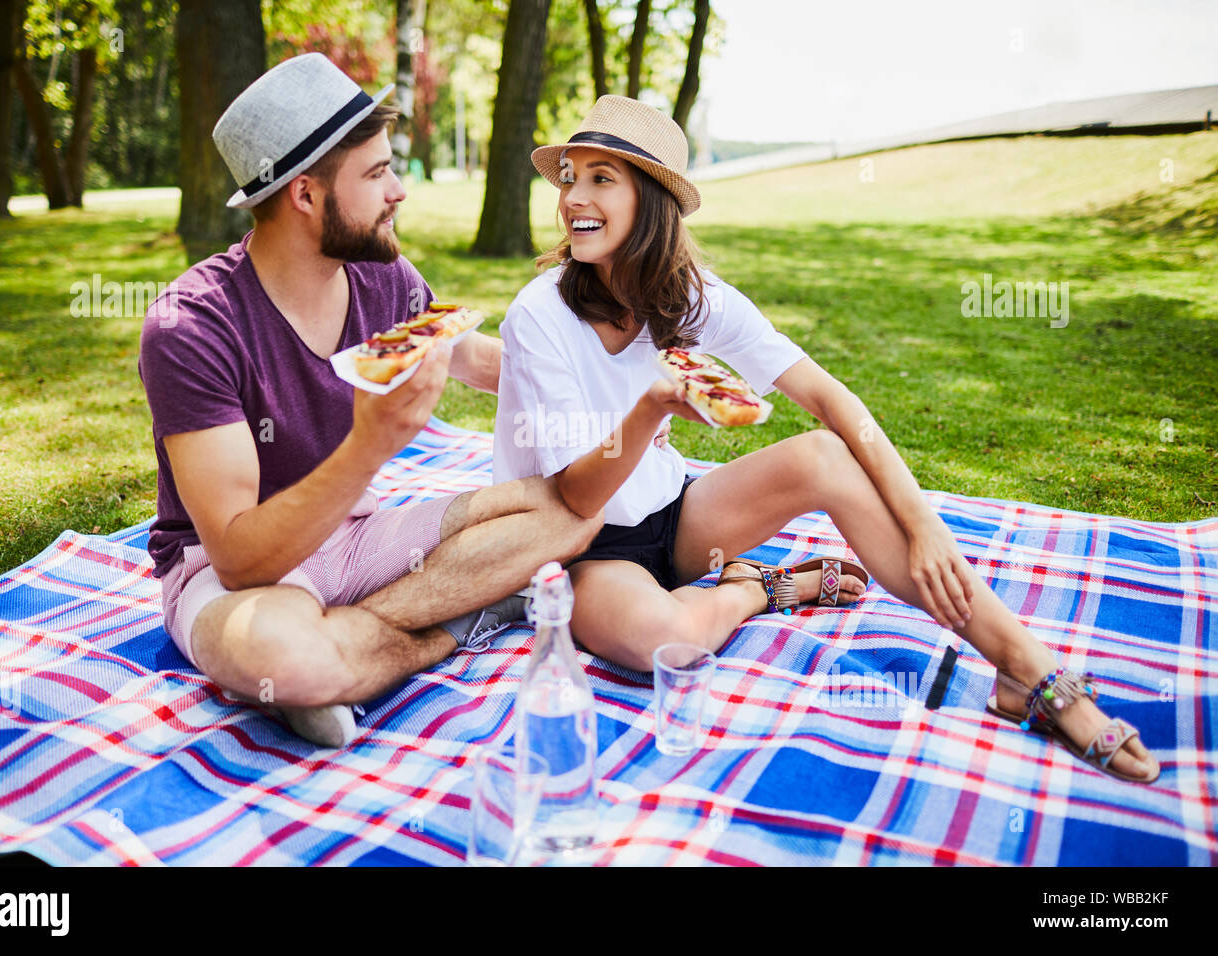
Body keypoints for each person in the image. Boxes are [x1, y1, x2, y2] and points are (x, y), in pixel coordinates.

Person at [491, 95, 1159, 784]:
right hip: (580, 545)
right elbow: (575, 491)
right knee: (670, 640)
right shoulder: (538, 313)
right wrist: (652, 405)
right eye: (570, 176)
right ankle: (762, 590)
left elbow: (832, 399)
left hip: (671, 517)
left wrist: (923, 521)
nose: (574, 197)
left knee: (825, 455)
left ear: (653, 200)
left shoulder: (689, 294)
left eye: (602, 177)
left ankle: (1027, 668)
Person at [138, 54, 602, 749]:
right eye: (378, 173)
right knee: (284, 658)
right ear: (304, 195)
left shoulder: (380, 273)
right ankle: (433, 625)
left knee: (577, 503)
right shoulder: (191, 325)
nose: (399, 192)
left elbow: (473, 358)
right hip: (231, 574)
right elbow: (238, 556)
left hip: (357, 539)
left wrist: (610, 394)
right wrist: (369, 447)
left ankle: (355, 649)